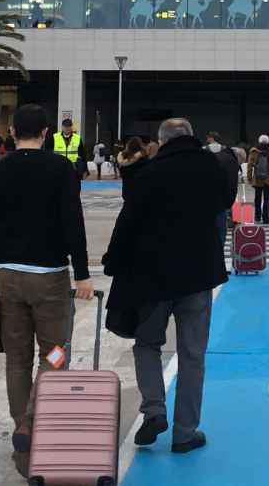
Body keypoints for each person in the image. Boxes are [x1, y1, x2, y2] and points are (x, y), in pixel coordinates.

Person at [0, 104, 93, 477]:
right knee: (54, 354)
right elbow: (74, 223)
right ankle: (35, 422)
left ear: (12, 130)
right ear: (47, 132)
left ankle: (23, 439)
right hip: (50, 279)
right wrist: (82, 273)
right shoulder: (60, 170)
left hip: (7, 278)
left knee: (16, 359)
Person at [102, 119, 230, 454]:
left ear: (161, 141)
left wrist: (113, 262)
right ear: (191, 136)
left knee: (147, 344)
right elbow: (224, 203)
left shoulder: (149, 174)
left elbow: (128, 221)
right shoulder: (212, 168)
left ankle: (154, 410)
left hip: (152, 278)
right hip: (199, 274)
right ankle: (186, 432)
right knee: (192, 354)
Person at [205, 132, 241, 254]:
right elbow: (233, 181)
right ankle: (219, 252)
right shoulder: (229, 154)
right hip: (222, 200)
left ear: (210, 139)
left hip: (205, 199)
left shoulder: (201, 153)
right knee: (221, 229)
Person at [246, 135, 269, 224]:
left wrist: (249, 177)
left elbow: (249, 165)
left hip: (257, 179)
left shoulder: (254, 151)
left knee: (257, 198)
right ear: (268, 142)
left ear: (259, 141)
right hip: (268, 179)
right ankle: (265, 217)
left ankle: (257, 216)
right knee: (267, 198)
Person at [116, 136, 150, 202]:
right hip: (142, 192)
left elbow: (122, 174)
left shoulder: (123, 161)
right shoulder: (144, 159)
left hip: (127, 193)